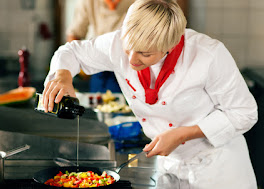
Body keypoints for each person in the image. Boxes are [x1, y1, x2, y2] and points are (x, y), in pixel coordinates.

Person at [42, 0, 258, 188]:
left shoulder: (208, 54)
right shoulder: (119, 44)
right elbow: (71, 52)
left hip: (217, 167)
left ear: (171, 46)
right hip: (168, 165)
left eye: (145, 54)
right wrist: (62, 76)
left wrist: (181, 134)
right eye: (128, 49)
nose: (132, 61)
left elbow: (245, 113)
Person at [66, 0, 135, 93]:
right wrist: (79, 65)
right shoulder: (87, 2)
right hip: (99, 66)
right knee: (99, 103)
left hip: (130, 64)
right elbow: (74, 34)